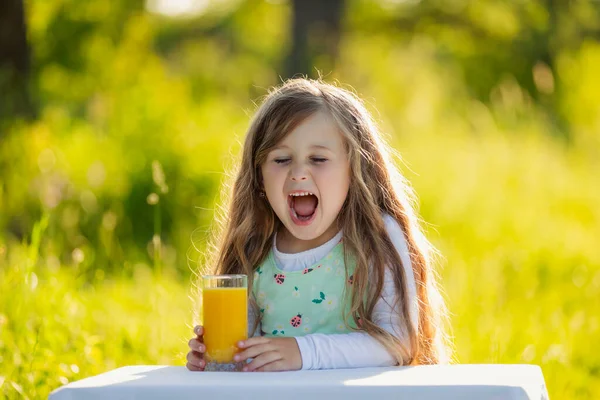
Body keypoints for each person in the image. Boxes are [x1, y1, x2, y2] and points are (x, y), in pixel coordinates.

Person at [186, 78, 452, 372]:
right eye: (282, 159)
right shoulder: (254, 246)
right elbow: (246, 356)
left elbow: (398, 343)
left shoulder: (375, 237)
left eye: (318, 158)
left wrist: (304, 352)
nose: (299, 172)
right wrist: (216, 360)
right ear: (258, 176)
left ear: (355, 170)